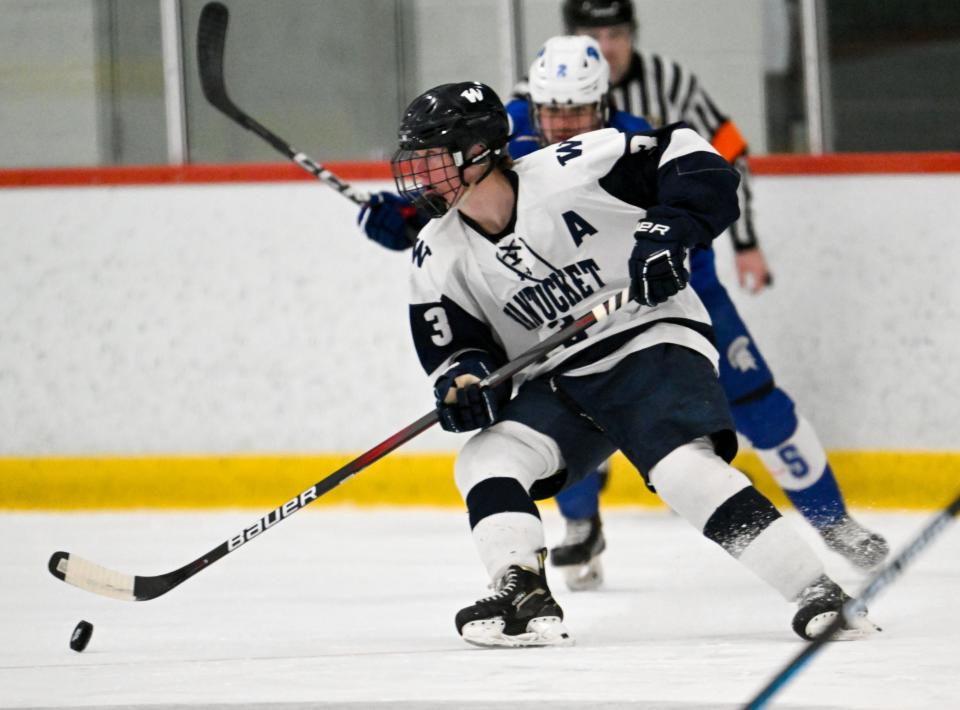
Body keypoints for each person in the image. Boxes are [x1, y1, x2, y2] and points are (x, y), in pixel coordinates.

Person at [359, 30, 889, 594]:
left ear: (603, 104)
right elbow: (471, 229)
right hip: (570, 325)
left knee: (744, 404)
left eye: (578, 110)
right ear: (530, 108)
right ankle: (573, 531)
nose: (562, 124)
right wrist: (414, 219)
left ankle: (831, 525)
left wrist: (707, 238)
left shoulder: (618, 143)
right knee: (542, 421)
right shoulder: (498, 143)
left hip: (665, 286)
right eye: (550, 112)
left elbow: (709, 162)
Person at [546, 0, 889, 585]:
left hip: (687, 280)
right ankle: (581, 528)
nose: (606, 45)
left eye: (616, 32)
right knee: (578, 406)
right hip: (594, 291)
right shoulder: (543, 104)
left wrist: (747, 241)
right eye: (591, 34)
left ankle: (833, 522)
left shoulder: (671, 85)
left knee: (754, 397)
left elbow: (727, 158)